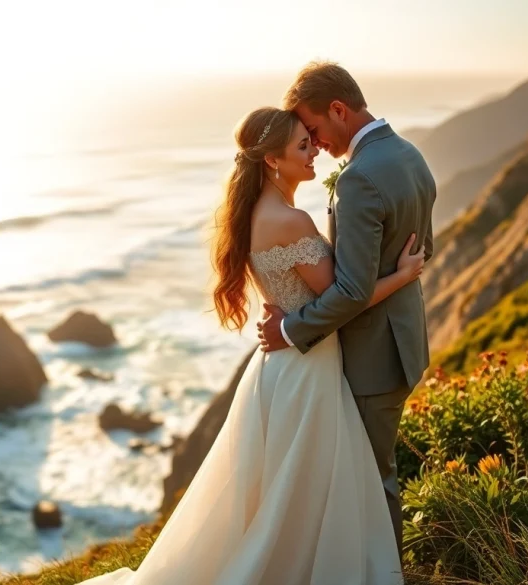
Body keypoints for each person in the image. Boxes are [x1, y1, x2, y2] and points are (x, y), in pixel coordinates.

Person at [78, 101, 425, 584]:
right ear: (273, 161)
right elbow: (350, 296)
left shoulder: (255, 215)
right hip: (308, 370)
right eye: (303, 147)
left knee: (279, 490)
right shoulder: (291, 222)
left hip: (277, 370)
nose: (314, 155)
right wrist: (403, 275)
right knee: (305, 487)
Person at [257, 61, 436, 558]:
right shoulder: (411, 154)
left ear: (338, 109)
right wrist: (401, 275)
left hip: (372, 357)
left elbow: (354, 290)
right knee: (371, 475)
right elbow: (423, 250)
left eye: (313, 129)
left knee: (371, 482)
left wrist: (291, 331)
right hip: (403, 343)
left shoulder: (359, 178)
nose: (315, 145)